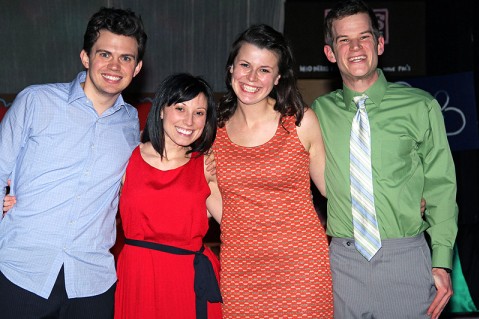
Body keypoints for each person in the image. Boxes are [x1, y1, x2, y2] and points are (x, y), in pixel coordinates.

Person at [311, 1, 458, 318]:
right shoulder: (317, 113)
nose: (355, 48)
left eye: (364, 37)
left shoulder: (420, 106)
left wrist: (442, 260)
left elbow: (441, 185)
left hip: (404, 257)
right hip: (342, 263)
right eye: (343, 40)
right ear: (330, 53)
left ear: (379, 43)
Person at [0, 7, 146, 318]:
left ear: (137, 68)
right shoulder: (36, 102)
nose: (114, 66)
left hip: (92, 282)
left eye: (126, 58)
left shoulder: (132, 124)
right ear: (85, 57)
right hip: (21, 271)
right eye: (104, 54)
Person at [212, 24, 333, 318]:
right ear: (231, 68)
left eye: (264, 70)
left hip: (301, 268)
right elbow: (215, 201)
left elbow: (335, 191)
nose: (252, 78)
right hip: (241, 271)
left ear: (278, 77)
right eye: (245, 65)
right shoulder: (212, 133)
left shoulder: (301, 123)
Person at [114, 73, 223, 319]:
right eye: (180, 108)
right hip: (138, 278)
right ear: (162, 110)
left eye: (199, 113)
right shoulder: (127, 158)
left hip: (186, 282)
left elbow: (237, 224)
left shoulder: (206, 166)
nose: (189, 121)